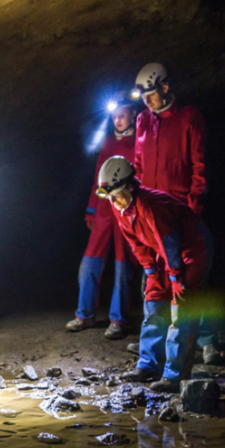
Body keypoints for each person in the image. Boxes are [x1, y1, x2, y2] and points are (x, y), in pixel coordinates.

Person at [95, 156, 210, 392]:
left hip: (192, 248)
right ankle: (149, 365)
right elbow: (136, 242)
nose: (112, 201)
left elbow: (170, 241)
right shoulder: (120, 205)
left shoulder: (150, 204)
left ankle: (175, 375)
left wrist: (176, 278)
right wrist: (151, 270)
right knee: (153, 303)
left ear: (130, 186)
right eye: (109, 196)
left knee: (180, 310)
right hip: (164, 252)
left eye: (115, 195)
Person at [132, 61, 214, 344]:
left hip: (180, 212)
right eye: (142, 96)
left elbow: (199, 167)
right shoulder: (143, 120)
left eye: (151, 93)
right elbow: (138, 165)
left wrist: (193, 209)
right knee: (154, 278)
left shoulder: (189, 118)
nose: (146, 100)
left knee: (191, 277)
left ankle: (205, 341)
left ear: (165, 87)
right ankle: (156, 343)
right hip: (152, 216)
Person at [66, 89, 139, 339]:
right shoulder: (108, 141)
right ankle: (84, 315)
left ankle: (117, 320)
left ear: (132, 114)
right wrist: (92, 210)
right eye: (114, 116)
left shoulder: (140, 140)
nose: (117, 120)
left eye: (122, 115)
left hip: (127, 208)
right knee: (90, 262)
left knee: (123, 265)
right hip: (106, 209)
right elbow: (99, 177)